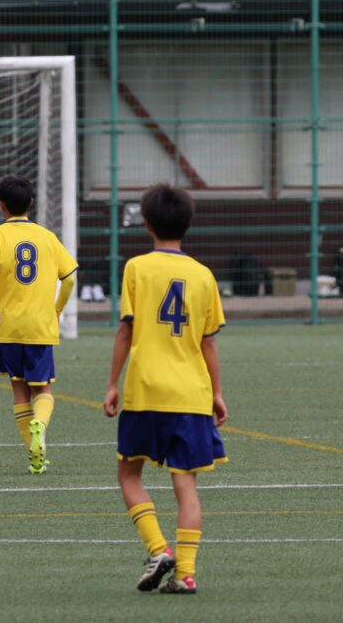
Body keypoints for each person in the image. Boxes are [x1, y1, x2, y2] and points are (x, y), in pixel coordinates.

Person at [103, 183, 228, 595]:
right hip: (191, 393)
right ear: (188, 224)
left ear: (147, 223)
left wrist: (112, 384)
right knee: (185, 484)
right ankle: (185, 574)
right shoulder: (204, 275)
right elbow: (209, 341)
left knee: (128, 474)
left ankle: (158, 548)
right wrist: (216, 393)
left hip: (145, 390)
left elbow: (126, 330)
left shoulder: (137, 268)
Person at [0, 176, 77, 474]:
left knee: (19, 390)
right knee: (42, 391)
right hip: (39, 326)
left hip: (6, 326)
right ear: (31, 202)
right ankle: (39, 426)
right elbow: (69, 278)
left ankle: (34, 455)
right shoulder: (47, 237)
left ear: (1, 206)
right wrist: (56, 310)